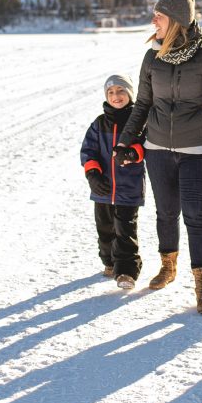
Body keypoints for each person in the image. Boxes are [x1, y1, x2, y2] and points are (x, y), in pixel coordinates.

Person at [116, 0, 202, 314]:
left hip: (198, 151)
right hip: (157, 149)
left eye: (159, 15)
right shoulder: (152, 58)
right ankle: (168, 267)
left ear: (177, 20)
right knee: (166, 213)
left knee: (196, 216)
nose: (154, 21)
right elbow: (141, 105)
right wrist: (126, 140)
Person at [80, 74, 145, 289]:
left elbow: (146, 144)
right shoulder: (99, 123)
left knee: (125, 229)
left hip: (129, 186)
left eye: (121, 91)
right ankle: (109, 262)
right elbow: (88, 151)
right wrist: (93, 175)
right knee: (105, 228)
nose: (116, 96)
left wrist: (133, 153)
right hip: (103, 188)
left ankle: (126, 271)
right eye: (111, 92)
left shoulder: (137, 121)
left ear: (130, 94)